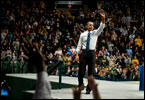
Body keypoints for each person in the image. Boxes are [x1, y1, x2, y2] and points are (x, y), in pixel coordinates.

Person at [76, 9, 106, 94]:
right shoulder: (82, 34)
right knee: (81, 71)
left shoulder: (95, 33)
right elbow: (79, 45)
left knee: (91, 72)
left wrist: (103, 18)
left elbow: (102, 26)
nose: (91, 26)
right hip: (84, 52)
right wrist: (78, 54)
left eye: (92, 25)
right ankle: (81, 84)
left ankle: (88, 88)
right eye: (90, 25)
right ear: (86, 26)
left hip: (92, 53)